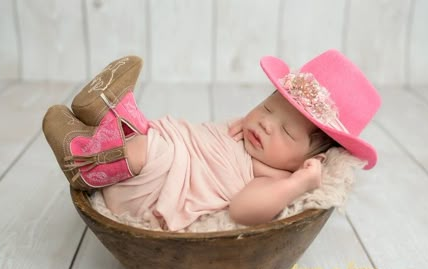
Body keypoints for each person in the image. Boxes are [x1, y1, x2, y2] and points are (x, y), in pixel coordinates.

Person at [42, 49, 381, 231]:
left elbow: (245, 209)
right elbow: (208, 139)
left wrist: (300, 183)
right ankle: (103, 118)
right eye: (266, 108)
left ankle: (87, 162)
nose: (265, 123)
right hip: (177, 151)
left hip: (158, 184)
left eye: (287, 131)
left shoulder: (275, 177)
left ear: (312, 160)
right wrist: (237, 128)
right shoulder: (249, 136)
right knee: (157, 134)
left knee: (155, 149)